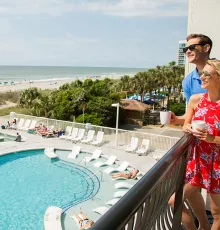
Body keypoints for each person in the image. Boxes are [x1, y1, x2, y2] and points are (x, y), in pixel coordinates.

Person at [169, 60, 220, 230]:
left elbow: (213, 138)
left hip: (218, 165)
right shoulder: (196, 100)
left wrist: (213, 139)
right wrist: (186, 126)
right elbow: (186, 124)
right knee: (174, 201)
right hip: (197, 161)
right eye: (201, 73)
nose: (202, 77)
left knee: (217, 213)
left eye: (207, 74)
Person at [171, 34, 213, 125]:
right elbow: (191, 114)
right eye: (185, 49)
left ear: (206, 48)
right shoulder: (187, 82)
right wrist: (176, 119)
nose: (187, 52)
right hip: (202, 136)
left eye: (192, 47)